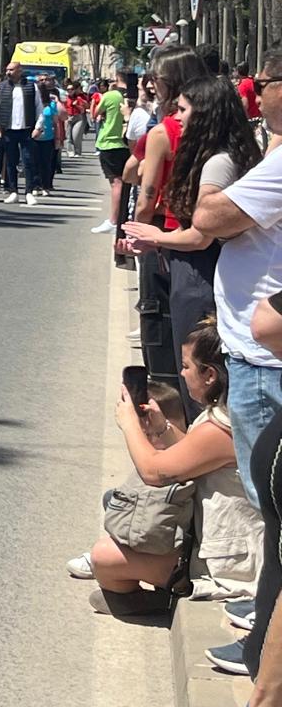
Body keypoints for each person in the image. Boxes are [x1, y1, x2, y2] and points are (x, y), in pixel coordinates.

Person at [76, 321, 260, 621]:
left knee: (104, 557)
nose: (183, 373)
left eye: (187, 366)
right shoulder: (228, 414)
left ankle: (160, 599)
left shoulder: (223, 428)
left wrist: (130, 424)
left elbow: (153, 470)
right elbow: (199, 456)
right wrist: (162, 428)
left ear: (210, 375)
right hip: (211, 539)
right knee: (116, 505)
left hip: (227, 559)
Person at [124, 75, 261, 424]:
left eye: (183, 110)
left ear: (203, 114)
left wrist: (155, 236)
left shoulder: (216, 163)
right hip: (212, 269)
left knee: (197, 373)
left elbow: (200, 235)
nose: (177, 117)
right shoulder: (236, 153)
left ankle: (198, 453)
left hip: (199, 271)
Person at [193, 51, 282, 508]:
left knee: (267, 496)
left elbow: (210, 217)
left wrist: (209, 187)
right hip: (260, 349)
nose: (255, 93)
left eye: (261, 84)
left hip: (266, 359)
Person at [0, 61, 41, 205]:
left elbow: (39, 108)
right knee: (10, 162)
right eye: (7, 70)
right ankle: (13, 191)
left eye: (11, 70)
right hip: (8, 130)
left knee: (28, 160)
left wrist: (38, 127)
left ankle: (29, 191)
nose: (8, 72)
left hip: (27, 129)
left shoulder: (31, 87)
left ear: (19, 70)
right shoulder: (2, 87)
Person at [92, 68, 130, 233]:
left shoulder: (111, 95)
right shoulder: (134, 96)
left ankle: (114, 220)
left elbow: (95, 113)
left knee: (116, 183)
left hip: (110, 142)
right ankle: (122, 217)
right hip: (128, 142)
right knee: (126, 182)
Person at [30, 81, 61, 197]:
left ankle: (46, 186)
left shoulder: (51, 105)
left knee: (46, 163)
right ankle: (35, 185)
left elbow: (56, 122)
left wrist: (58, 139)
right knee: (34, 163)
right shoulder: (31, 104)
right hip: (34, 137)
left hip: (48, 138)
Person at [64, 80, 90, 157]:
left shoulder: (79, 97)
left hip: (78, 117)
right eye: (68, 89)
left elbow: (85, 107)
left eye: (71, 89)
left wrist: (77, 105)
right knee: (68, 136)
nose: (70, 91)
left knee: (76, 135)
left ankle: (77, 151)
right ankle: (70, 151)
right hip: (68, 117)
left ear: (74, 90)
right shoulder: (65, 98)